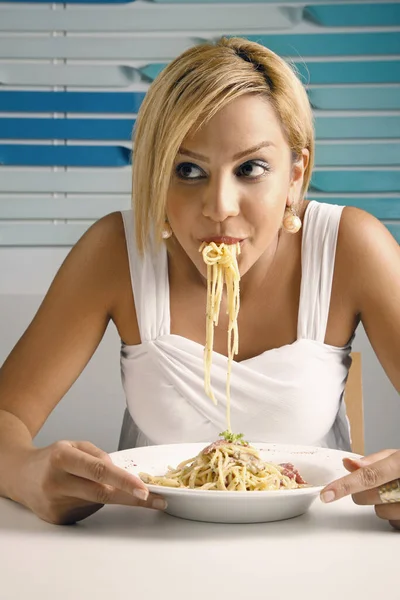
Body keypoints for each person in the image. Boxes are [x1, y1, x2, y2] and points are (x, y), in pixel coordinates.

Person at [0, 37, 399, 528]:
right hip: (150, 553)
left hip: (318, 553)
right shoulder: (115, 252)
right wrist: (26, 473)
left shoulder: (351, 247)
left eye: (251, 169)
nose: (219, 207)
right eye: (188, 170)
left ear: (296, 175)